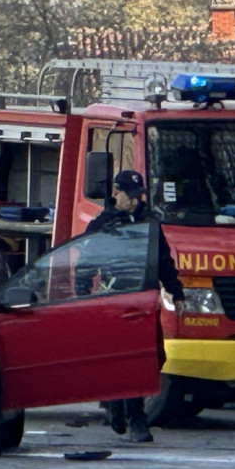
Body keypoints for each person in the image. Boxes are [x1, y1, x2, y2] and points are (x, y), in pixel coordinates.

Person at [86, 169, 185, 443]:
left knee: (153, 358)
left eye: (135, 195)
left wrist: (177, 291)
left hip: (143, 301)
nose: (131, 200)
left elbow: (163, 260)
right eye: (126, 194)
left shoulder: (150, 224)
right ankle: (133, 416)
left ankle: (120, 404)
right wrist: (82, 293)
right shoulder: (103, 224)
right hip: (114, 300)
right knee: (125, 360)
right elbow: (85, 261)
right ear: (116, 193)